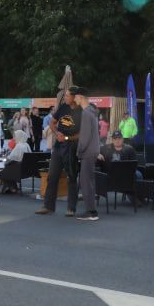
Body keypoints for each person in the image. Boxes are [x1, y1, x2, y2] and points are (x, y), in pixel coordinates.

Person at [36, 88, 79, 216]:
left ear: (74, 97)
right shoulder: (62, 107)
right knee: (52, 176)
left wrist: (66, 137)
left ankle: (71, 208)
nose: (65, 97)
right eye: (64, 95)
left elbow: (82, 133)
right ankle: (48, 206)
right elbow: (52, 123)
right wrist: (57, 133)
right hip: (58, 146)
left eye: (67, 95)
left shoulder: (80, 111)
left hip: (72, 147)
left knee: (71, 177)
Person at [72, 88, 100, 221]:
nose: (74, 99)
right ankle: (91, 210)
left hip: (87, 152)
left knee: (85, 181)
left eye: (76, 97)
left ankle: (91, 212)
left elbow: (85, 136)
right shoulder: (92, 112)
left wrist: (79, 150)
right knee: (89, 181)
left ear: (81, 97)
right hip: (93, 150)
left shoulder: (86, 113)